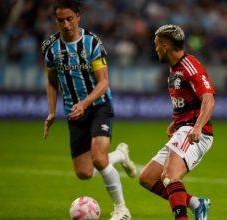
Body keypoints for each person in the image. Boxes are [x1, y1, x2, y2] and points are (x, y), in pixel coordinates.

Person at [41, 1, 136, 219]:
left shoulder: (92, 43)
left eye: (69, 19)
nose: (65, 25)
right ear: (56, 21)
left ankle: (122, 210)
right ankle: (120, 155)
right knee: (84, 173)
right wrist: (52, 111)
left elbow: (103, 83)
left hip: (98, 105)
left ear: (78, 17)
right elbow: (52, 82)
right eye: (60, 20)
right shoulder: (50, 47)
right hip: (73, 112)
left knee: (99, 158)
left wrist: (84, 103)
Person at [139, 24, 215, 220]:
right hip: (184, 128)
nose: (155, 49)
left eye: (156, 45)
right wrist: (176, 122)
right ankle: (197, 204)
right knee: (147, 178)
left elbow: (209, 99)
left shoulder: (190, 66)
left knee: (170, 176)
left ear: (165, 46)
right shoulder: (174, 69)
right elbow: (187, 100)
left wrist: (197, 127)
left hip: (195, 132)